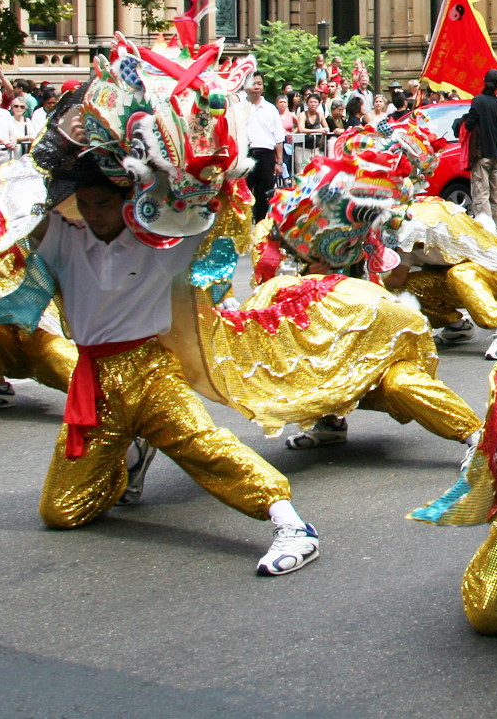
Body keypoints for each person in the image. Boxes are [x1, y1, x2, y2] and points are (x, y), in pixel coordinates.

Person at [26, 159, 320, 576]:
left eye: (104, 204)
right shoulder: (64, 237)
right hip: (96, 383)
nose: (94, 213)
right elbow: (17, 234)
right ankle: (127, 458)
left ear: (128, 201)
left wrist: (205, 169)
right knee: (60, 512)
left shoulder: (161, 239)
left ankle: (291, 525)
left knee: (206, 445)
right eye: (86, 204)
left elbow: (213, 214)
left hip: (149, 371)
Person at [464, 68, 497, 231]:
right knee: (495, 193)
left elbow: (469, 124)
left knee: (481, 192)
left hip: (481, 153)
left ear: (485, 81)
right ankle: (496, 227)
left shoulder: (478, 101)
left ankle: (485, 229)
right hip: (496, 154)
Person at [241, 74, 284, 221]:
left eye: (259, 83)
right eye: (253, 84)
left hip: (266, 155)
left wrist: (279, 162)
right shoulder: (239, 107)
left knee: (264, 193)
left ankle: (260, 226)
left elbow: (278, 138)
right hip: (245, 155)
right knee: (242, 192)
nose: (257, 87)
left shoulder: (270, 109)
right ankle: (244, 226)